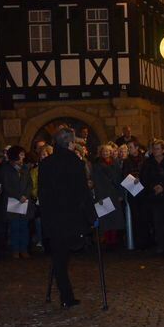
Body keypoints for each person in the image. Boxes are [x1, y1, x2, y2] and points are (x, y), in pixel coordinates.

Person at [40, 128, 96, 308]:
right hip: (71, 218)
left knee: (59, 257)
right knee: (66, 254)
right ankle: (67, 296)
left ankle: (66, 295)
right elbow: (83, 193)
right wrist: (92, 216)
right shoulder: (75, 163)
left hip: (53, 217)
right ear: (71, 143)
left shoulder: (46, 163)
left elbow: (43, 193)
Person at [139, 138, 164, 255]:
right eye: (153, 149)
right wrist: (153, 187)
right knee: (157, 221)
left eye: (157, 149)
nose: (155, 151)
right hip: (154, 197)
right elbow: (144, 178)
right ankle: (160, 244)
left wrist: (163, 186)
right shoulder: (148, 163)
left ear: (163, 150)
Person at [91, 144, 125, 249]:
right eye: (104, 151)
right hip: (103, 194)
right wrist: (99, 196)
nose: (106, 153)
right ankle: (108, 241)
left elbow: (119, 179)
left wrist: (120, 194)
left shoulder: (115, 164)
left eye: (108, 151)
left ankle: (114, 241)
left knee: (115, 219)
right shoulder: (97, 165)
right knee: (106, 219)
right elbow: (96, 181)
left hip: (114, 194)